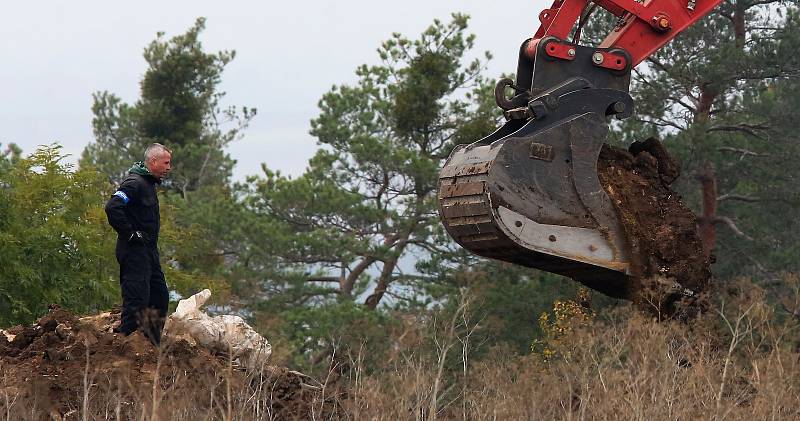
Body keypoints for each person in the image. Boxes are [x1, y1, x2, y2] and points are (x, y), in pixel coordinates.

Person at [104, 143, 172, 346]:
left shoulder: (148, 184)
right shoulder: (134, 183)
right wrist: (130, 234)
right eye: (166, 163)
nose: (169, 167)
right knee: (136, 301)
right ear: (153, 162)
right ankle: (128, 349)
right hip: (134, 252)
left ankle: (151, 345)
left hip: (149, 252)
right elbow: (113, 207)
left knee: (159, 296)